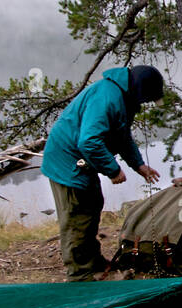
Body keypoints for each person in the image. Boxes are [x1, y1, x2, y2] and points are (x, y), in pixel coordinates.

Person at [41, 65, 165, 280]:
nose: (145, 103)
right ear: (139, 91)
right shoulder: (107, 98)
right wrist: (113, 170)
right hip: (68, 163)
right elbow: (89, 142)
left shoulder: (122, 97)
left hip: (81, 162)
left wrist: (138, 165)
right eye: (147, 99)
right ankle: (81, 274)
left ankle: (94, 261)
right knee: (77, 217)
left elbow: (122, 135)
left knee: (92, 205)